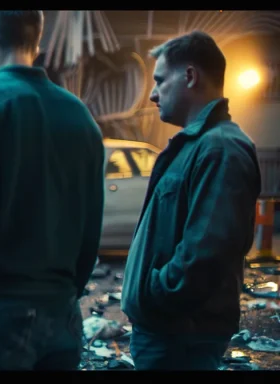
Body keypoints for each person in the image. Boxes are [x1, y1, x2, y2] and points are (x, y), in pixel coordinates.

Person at [0, 10, 105, 370]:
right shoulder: (79, 116)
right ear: (37, 43)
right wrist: (66, 291)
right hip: (63, 313)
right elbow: (91, 227)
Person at [120, 31, 261, 371]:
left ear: (190, 76)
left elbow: (206, 253)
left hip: (179, 339)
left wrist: (157, 294)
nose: (152, 94)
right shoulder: (200, 145)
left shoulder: (221, 148)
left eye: (160, 80)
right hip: (171, 334)